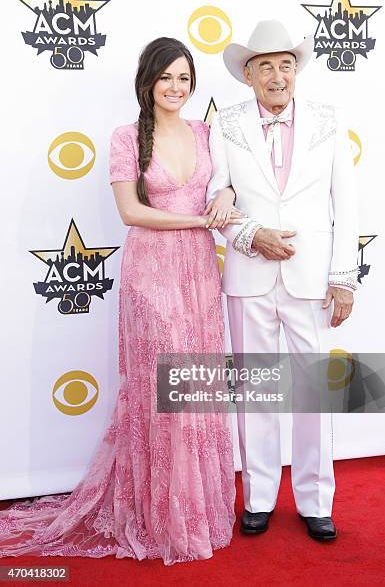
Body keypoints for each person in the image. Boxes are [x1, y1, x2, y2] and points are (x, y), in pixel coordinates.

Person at [0, 37, 243, 565]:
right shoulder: (126, 137)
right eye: (166, 78)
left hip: (199, 273)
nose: (176, 88)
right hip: (151, 271)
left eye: (184, 78)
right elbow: (131, 212)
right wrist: (202, 219)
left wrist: (224, 196)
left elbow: (228, 184)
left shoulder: (208, 132)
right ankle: (159, 515)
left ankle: (195, 510)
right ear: (147, 83)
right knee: (160, 387)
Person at [206, 20, 359, 540]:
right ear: (248, 75)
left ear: (297, 70)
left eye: (285, 65)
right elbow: (216, 196)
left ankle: (317, 500)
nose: (277, 75)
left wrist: (344, 278)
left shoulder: (327, 121)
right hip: (249, 275)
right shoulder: (223, 124)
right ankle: (260, 497)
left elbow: (347, 204)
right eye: (265, 66)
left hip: (312, 278)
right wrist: (252, 236)